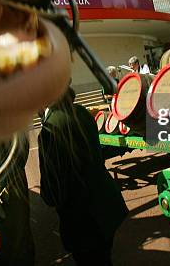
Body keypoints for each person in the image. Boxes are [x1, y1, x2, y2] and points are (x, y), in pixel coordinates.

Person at [38, 87, 128, 265]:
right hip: (106, 206)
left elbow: (52, 190)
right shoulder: (81, 112)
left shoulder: (49, 129)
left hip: (83, 221)